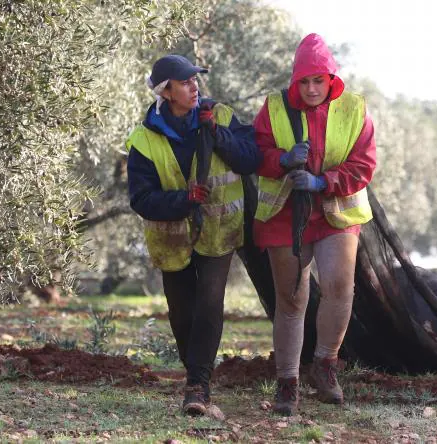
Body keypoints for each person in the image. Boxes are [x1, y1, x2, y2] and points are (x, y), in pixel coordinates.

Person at [125, 54, 261, 417]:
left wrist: (217, 133)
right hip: (171, 239)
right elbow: (140, 198)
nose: (194, 86)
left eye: (195, 80)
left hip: (219, 232)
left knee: (209, 305)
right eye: (185, 82)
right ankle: (195, 375)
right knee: (182, 312)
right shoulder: (143, 139)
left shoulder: (223, 116)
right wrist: (182, 201)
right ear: (166, 91)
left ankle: (198, 386)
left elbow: (251, 158)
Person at [252, 33, 377, 416]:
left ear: (331, 79)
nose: (310, 89)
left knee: (340, 287)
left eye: (317, 81)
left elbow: (365, 165)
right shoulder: (273, 108)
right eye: (303, 81)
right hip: (285, 215)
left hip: (335, 212)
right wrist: (285, 160)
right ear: (294, 81)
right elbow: (256, 154)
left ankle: (325, 367)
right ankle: (287, 382)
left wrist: (324, 182)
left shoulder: (355, 109)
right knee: (291, 299)